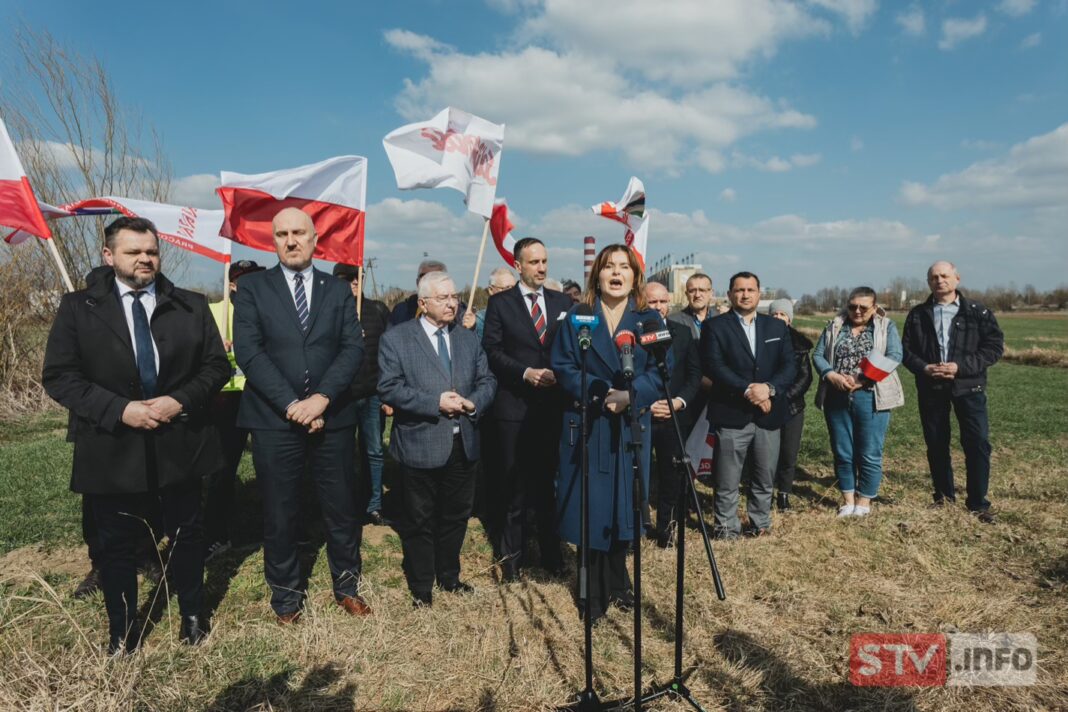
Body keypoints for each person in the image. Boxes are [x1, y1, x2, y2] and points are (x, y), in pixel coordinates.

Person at [43, 216, 229, 654]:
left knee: (187, 534)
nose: (145, 258)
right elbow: (59, 376)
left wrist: (179, 400)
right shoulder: (78, 308)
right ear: (109, 256)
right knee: (116, 544)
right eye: (133, 251)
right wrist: (119, 410)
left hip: (180, 441)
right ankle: (122, 632)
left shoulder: (191, 305)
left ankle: (193, 616)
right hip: (111, 447)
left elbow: (216, 367)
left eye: (151, 251)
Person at [233, 207, 369, 623]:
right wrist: (293, 405)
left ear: (315, 239)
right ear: (272, 241)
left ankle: (346, 585)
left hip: (334, 417)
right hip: (275, 419)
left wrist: (323, 398)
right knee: (280, 509)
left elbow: (352, 349)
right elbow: (250, 352)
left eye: (298, 232)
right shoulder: (254, 288)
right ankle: (287, 597)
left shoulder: (337, 290)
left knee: (341, 507)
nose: (290, 240)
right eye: (281, 234)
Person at [551, 244, 663, 623]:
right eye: (609, 267)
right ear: (597, 274)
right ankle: (591, 592)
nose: (616, 273)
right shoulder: (578, 318)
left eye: (624, 267)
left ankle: (619, 580)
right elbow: (564, 367)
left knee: (624, 506)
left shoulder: (649, 320)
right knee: (590, 509)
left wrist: (630, 396)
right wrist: (602, 394)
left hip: (630, 428)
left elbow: (660, 373)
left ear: (635, 276)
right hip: (589, 427)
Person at [378, 271, 497, 606]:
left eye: (454, 296)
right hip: (421, 443)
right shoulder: (398, 339)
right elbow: (389, 388)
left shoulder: (467, 337)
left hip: (464, 442)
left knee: (456, 516)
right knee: (419, 520)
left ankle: (449, 576)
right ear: (423, 303)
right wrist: (434, 403)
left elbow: (487, 379)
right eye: (442, 298)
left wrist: (475, 402)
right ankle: (421, 586)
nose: (451, 303)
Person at [482, 238, 571, 581]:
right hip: (514, 409)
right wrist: (525, 372)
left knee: (548, 487)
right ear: (518, 265)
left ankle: (552, 556)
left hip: (551, 410)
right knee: (514, 490)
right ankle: (513, 561)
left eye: (545, 261)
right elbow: (491, 350)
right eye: (534, 262)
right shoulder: (501, 304)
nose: (542, 268)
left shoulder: (563, 302)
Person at [902, 261, 1004, 523]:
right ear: (929, 283)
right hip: (931, 387)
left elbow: (993, 347)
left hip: (969, 386)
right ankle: (943, 498)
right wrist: (925, 368)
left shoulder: (977, 312)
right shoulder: (918, 314)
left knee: (977, 443)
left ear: (957, 279)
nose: (940, 281)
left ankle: (978, 503)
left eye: (944, 276)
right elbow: (906, 351)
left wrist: (960, 367)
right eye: (934, 277)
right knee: (936, 443)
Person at [700, 271, 796, 539]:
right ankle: (726, 528)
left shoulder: (776, 328)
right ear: (730, 294)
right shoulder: (715, 326)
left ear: (759, 293)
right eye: (739, 290)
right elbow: (714, 366)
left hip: (768, 414)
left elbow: (789, 365)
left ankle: (760, 523)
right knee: (727, 479)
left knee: (765, 476)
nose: (744, 294)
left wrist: (769, 390)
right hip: (732, 413)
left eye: (750, 290)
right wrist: (748, 390)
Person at [813, 288, 904, 518]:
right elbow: (818, 355)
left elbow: (894, 355)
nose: (857, 311)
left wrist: (862, 379)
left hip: (871, 395)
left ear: (874, 307)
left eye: (864, 307)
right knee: (843, 450)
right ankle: (847, 500)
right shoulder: (835, 325)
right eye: (853, 306)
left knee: (869, 451)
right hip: (837, 394)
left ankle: (864, 501)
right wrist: (831, 375)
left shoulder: (885, 326)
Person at [204, 259, 265, 560]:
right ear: (231, 284)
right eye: (244, 280)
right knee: (221, 470)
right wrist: (218, 350)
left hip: (263, 396)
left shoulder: (270, 311)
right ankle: (216, 534)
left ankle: (275, 529)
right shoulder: (214, 312)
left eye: (256, 279)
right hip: (226, 401)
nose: (251, 285)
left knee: (271, 468)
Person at [333, 262, 392, 526]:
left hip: (372, 394)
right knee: (342, 455)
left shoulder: (377, 310)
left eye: (358, 277)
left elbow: (389, 354)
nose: (354, 282)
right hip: (342, 396)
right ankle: (345, 508)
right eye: (347, 278)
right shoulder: (330, 311)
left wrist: (388, 392)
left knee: (374, 451)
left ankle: (374, 505)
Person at [643, 282, 701, 547]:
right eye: (653, 302)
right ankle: (639, 528)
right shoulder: (632, 332)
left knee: (671, 475)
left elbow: (693, 375)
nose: (659, 307)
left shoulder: (683, 333)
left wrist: (678, 402)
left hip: (673, 417)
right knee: (639, 475)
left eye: (663, 301)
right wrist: (644, 404)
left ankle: (667, 529)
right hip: (642, 416)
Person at [766, 299, 813, 511]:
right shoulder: (762, 340)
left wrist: (785, 397)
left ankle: (784, 493)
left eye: (782, 315)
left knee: (788, 452)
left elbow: (806, 377)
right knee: (766, 452)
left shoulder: (800, 344)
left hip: (792, 406)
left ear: (789, 319)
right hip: (766, 405)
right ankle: (764, 492)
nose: (778, 318)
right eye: (774, 314)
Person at [473, 266, 517, 341]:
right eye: (507, 288)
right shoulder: (480, 321)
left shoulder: (524, 317)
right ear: (491, 290)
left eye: (514, 288)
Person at [668, 272, 714, 340]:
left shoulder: (722, 319)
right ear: (686, 294)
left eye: (702, 290)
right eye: (692, 291)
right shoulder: (673, 321)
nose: (697, 295)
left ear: (711, 293)